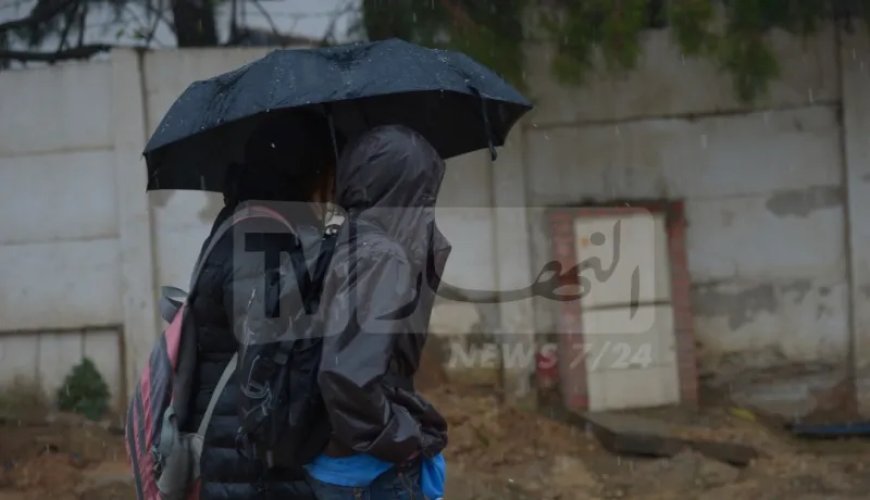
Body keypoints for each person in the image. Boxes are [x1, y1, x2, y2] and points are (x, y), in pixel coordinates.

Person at [185, 109, 336, 499]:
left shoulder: (238, 224)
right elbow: (271, 365)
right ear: (303, 170)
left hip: (234, 457)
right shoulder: (264, 240)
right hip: (253, 471)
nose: (332, 185)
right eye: (327, 171)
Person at [305, 125, 452, 499]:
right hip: (369, 472)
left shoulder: (344, 240)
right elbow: (346, 376)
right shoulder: (380, 255)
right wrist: (403, 438)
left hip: (334, 460)